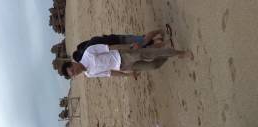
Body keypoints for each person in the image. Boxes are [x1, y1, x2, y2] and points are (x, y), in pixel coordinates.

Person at [61, 44, 192, 79]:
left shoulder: (89, 52)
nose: (75, 72)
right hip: (123, 66)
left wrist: (129, 46)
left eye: (73, 70)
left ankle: (181, 53)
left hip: (123, 55)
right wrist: (128, 75)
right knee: (153, 65)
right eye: (73, 74)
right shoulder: (89, 75)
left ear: (72, 63)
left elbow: (110, 47)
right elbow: (110, 74)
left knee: (152, 53)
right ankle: (169, 53)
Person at [72, 29, 165, 62]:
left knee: (142, 41)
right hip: (117, 41)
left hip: (119, 42)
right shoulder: (84, 47)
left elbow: (106, 46)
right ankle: (158, 40)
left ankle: (160, 32)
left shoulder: (89, 50)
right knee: (142, 44)